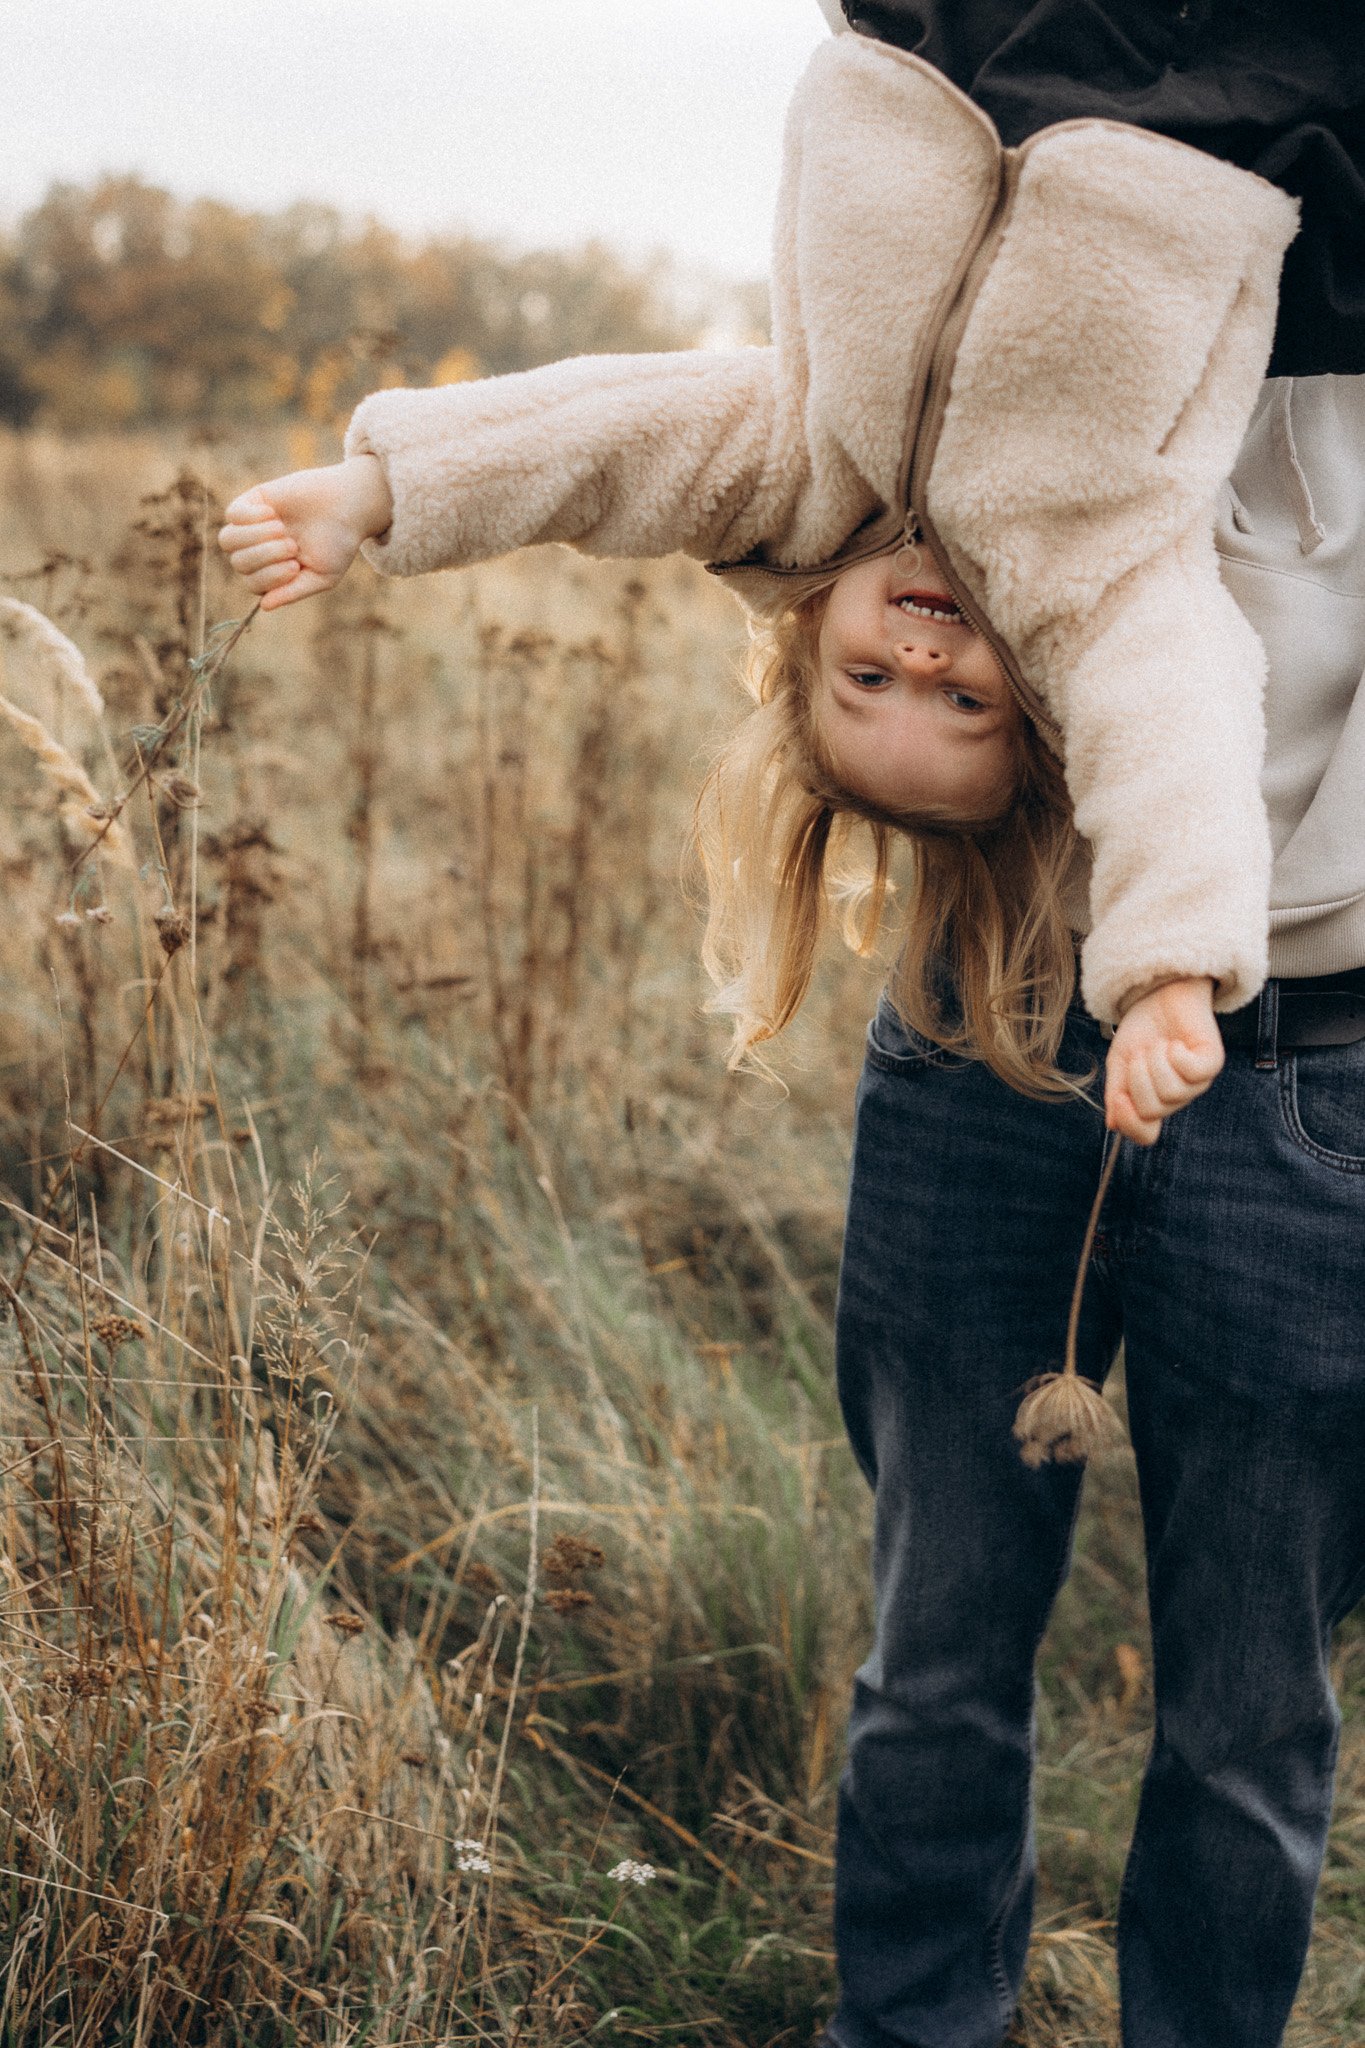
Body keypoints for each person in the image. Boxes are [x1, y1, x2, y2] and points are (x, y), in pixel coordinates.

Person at [219, 9, 1365, 2043]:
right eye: (938, 702)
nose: (923, 657)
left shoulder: (854, 459)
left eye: (907, 690)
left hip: (1311, 1065)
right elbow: (1164, 709)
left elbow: (614, 438)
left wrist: (381, 485)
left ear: (798, 636)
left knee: (1245, 1708)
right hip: (1011, 1023)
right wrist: (1173, 964)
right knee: (945, 1659)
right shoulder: (1066, 561)